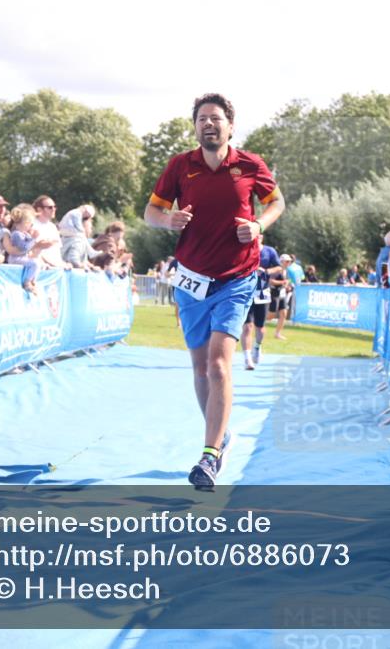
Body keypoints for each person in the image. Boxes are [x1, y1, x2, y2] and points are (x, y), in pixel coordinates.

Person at [143, 92, 284, 490]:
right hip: (191, 279)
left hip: (237, 277)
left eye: (216, 118)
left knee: (220, 364)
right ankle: (219, 439)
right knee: (200, 367)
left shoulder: (250, 165)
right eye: (202, 118)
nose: (209, 123)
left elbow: (277, 203)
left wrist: (259, 226)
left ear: (230, 125)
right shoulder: (179, 166)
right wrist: (167, 220)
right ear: (195, 127)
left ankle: (208, 456)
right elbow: (150, 213)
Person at [241, 237, 282, 370]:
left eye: (258, 235)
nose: (255, 238)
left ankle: (257, 347)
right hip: (246, 292)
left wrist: (266, 271)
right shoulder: (244, 248)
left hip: (262, 293)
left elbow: (279, 268)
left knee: (260, 327)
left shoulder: (269, 251)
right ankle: (247, 359)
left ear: (262, 237)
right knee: (247, 327)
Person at [7, 206, 42, 294]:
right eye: (30, 223)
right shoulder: (17, 234)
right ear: (25, 223)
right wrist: (33, 238)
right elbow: (24, 247)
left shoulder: (24, 233)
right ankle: (27, 282)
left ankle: (32, 280)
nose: (31, 226)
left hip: (22, 257)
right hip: (16, 259)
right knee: (35, 263)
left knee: (38, 262)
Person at [60, 204, 105, 270]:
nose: (91, 230)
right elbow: (73, 260)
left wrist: (91, 267)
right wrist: (83, 267)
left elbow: (82, 260)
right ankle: (92, 252)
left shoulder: (76, 240)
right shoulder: (78, 242)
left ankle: (92, 252)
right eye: (90, 227)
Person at [32, 195, 69, 268]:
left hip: (56, 268)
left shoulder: (53, 227)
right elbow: (33, 249)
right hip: (42, 268)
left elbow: (56, 251)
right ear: (39, 209)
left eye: (54, 207)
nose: (53, 209)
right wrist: (52, 264)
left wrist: (62, 263)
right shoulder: (32, 225)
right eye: (50, 207)